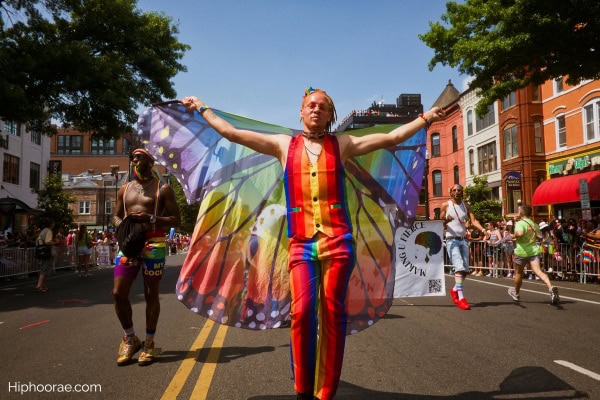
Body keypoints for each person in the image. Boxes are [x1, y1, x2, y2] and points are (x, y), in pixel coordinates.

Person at [181, 90, 445, 400]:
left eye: (323, 106)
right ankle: (303, 388)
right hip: (301, 245)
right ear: (301, 112)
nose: (316, 109)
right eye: (311, 105)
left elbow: (390, 137)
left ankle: (325, 391)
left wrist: (425, 118)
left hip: (338, 243)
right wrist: (202, 108)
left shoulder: (342, 145)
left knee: (332, 314)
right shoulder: (283, 145)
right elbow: (232, 133)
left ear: (330, 114)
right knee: (303, 311)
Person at [112, 148, 181, 366]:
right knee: (118, 292)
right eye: (132, 157)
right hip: (129, 244)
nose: (134, 160)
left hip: (154, 242)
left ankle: (149, 342)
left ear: (150, 162)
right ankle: (130, 338)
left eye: (139, 157)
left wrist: (151, 218)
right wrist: (123, 224)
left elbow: (175, 219)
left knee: (151, 293)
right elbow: (115, 215)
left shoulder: (164, 189)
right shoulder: (125, 189)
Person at [440, 184, 485, 311]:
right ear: (450, 193)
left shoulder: (466, 205)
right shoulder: (446, 205)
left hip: (463, 240)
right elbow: (440, 220)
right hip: (451, 240)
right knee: (459, 267)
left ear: (462, 192)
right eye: (454, 190)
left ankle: (454, 290)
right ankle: (461, 298)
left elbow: (473, 220)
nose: (457, 192)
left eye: (459, 190)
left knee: (465, 270)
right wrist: (445, 220)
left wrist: (484, 230)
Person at [507, 204, 560, 304]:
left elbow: (520, 233)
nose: (517, 212)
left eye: (519, 211)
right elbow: (540, 237)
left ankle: (516, 293)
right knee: (538, 271)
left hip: (521, 252)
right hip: (534, 251)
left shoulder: (520, 223)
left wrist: (513, 235)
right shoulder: (534, 224)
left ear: (521, 213)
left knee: (518, 273)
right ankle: (550, 287)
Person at [35, 219, 58, 292]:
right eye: (53, 223)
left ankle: (42, 285)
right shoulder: (49, 231)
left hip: (42, 250)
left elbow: (38, 241)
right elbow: (48, 242)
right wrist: (55, 242)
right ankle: (39, 285)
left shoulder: (43, 230)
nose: (54, 225)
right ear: (51, 224)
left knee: (44, 267)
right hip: (47, 251)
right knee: (45, 268)